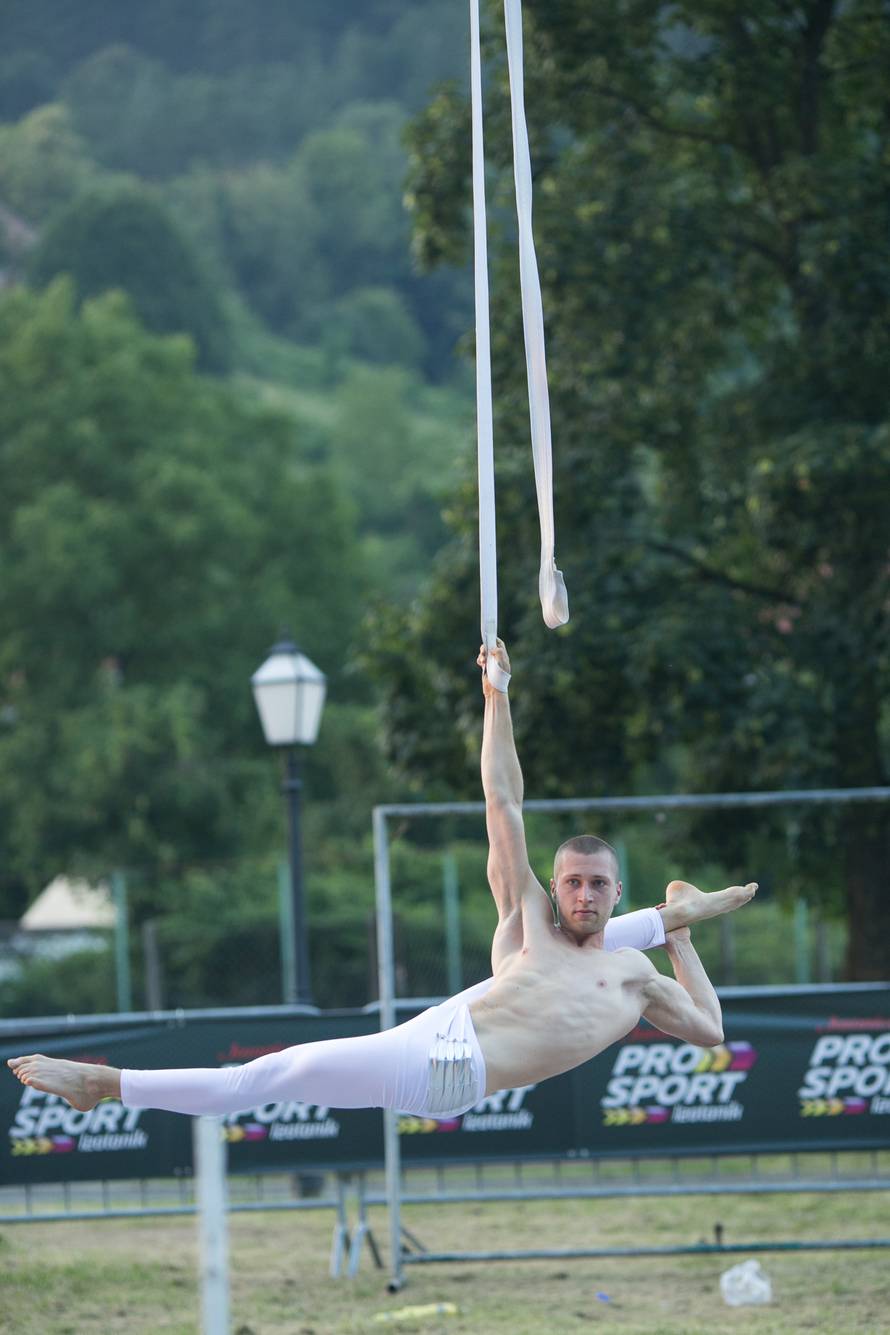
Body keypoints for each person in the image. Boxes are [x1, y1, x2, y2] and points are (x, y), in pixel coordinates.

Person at [7, 639, 755, 1121]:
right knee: (270, 1076)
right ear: (556, 888)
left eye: (597, 884)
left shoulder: (635, 979)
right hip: (437, 1047)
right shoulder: (531, 924)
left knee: (275, 1076)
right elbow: (503, 800)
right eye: (573, 882)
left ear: (617, 891)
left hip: (455, 1081)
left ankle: (673, 912)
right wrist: (497, 696)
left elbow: (710, 1028)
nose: (584, 894)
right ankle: (105, 1084)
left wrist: (681, 936)